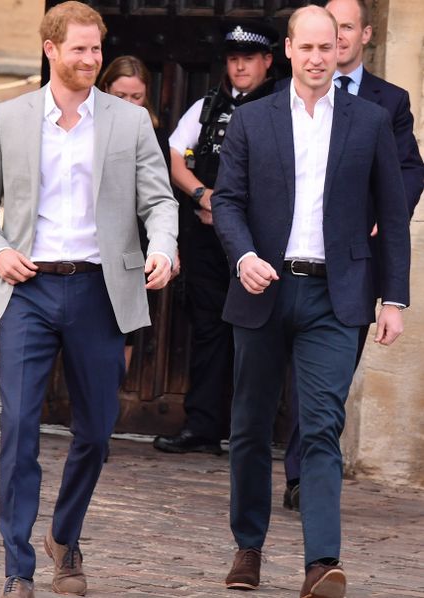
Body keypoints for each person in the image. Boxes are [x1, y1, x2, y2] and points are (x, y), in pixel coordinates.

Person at [0, 3, 178, 597]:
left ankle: (66, 533)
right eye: (79, 49)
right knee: (19, 427)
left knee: (97, 431)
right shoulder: (9, 117)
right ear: (50, 48)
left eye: (96, 49)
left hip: (99, 290)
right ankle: (18, 570)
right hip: (27, 289)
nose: (90, 59)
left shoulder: (128, 123)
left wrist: (163, 246)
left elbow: (159, 201)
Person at [211, 5, 410, 596]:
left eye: (330, 47)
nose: (320, 58)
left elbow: (393, 217)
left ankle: (322, 562)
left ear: (346, 50)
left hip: (336, 295)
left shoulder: (370, 121)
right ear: (289, 51)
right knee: (248, 426)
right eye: (309, 48)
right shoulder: (254, 118)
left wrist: (394, 299)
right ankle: (248, 547)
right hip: (263, 290)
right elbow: (228, 201)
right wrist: (244, 257)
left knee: (322, 425)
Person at [282, 0, 424, 514]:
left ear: (365, 34)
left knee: (327, 377)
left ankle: (312, 466)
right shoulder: (286, 97)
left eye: (343, 29)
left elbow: (408, 170)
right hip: (290, 264)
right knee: (295, 377)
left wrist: (381, 215)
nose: (333, 40)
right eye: (322, 33)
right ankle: (300, 474)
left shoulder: (390, 101)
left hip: (353, 262)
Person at [153, 20, 278, 456]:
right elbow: (172, 154)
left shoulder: (283, 105)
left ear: (267, 61)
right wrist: (203, 195)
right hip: (207, 241)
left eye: (248, 58)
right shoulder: (209, 105)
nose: (239, 66)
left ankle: (249, 435)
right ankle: (203, 427)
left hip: (258, 242)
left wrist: (232, 213)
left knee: (256, 336)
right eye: (232, 58)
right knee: (208, 331)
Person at [99, 54, 178, 371]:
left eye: (137, 97)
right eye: (120, 96)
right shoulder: (83, 129)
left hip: (138, 244)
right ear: (104, 89)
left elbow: (163, 196)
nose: (129, 104)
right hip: (92, 241)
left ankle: (111, 399)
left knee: (124, 328)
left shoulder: (156, 136)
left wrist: (169, 247)